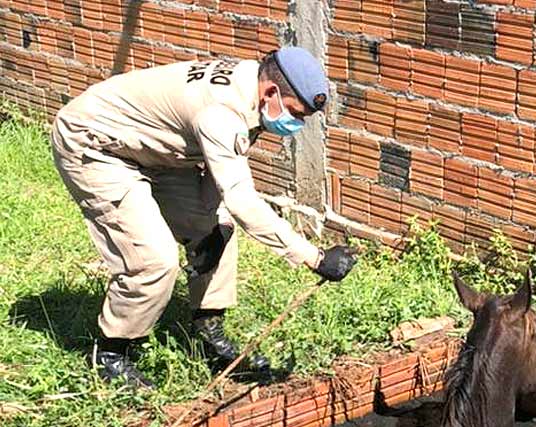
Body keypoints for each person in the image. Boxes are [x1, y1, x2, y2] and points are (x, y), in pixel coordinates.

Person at [51, 47, 356, 389]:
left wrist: (207, 226)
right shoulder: (222, 114)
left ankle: (208, 333)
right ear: (271, 92)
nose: (296, 124)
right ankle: (111, 354)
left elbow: (219, 176)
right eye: (296, 114)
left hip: (156, 148)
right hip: (96, 144)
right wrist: (315, 258)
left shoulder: (252, 83)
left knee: (218, 230)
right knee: (153, 259)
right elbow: (242, 201)